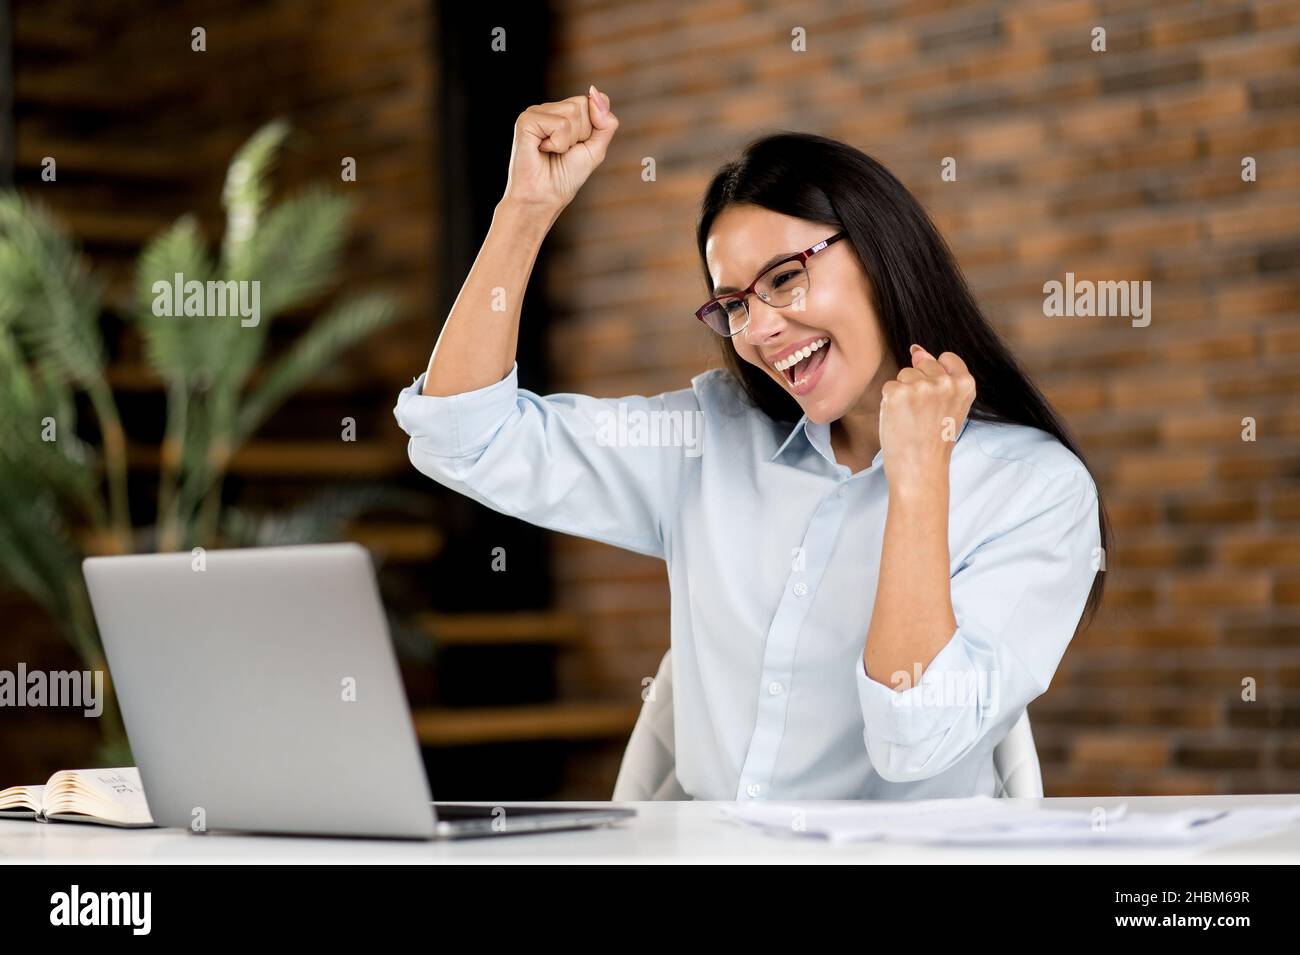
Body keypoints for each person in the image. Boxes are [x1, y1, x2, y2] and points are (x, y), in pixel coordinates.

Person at [393, 85, 1110, 800]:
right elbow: (465, 436)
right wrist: (525, 209)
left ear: (880, 251)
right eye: (734, 304)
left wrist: (919, 475)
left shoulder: (1035, 489)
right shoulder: (709, 438)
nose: (759, 328)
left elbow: (913, 737)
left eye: (786, 278)